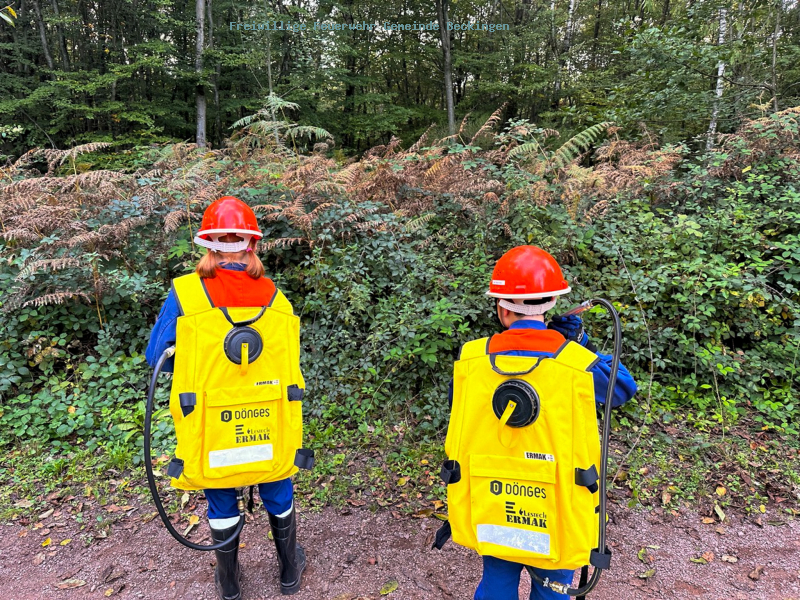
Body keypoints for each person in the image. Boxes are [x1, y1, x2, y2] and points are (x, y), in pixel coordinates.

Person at [146, 196, 307, 600]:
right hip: (266, 415)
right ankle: (289, 572)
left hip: (210, 419)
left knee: (218, 483)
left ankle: (230, 584)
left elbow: (157, 357)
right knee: (276, 480)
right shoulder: (276, 297)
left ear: (210, 243)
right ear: (251, 244)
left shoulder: (186, 294)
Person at [456, 245, 637, 600]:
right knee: (553, 589)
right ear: (553, 303)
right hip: (556, 504)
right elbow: (622, 389)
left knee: (496, 583)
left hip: (493, 498)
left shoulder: (471, 358)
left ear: (502, 307)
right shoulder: (579, 364)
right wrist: (578, 343)